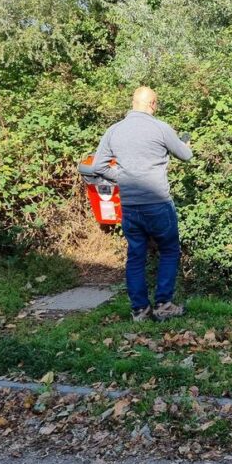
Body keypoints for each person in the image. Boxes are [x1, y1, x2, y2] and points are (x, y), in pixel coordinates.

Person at [79, 86, 192, 322]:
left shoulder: (114, 131)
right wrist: (186, 144)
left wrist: (124, 177)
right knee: (170, 251)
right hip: (158, 203)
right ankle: (163, 304)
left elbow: (97, 167)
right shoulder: (160, 127)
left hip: (130, 205)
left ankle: (140, 310)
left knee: (135, 256)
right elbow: (186, 156)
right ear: (153, 104)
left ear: (133, 103)